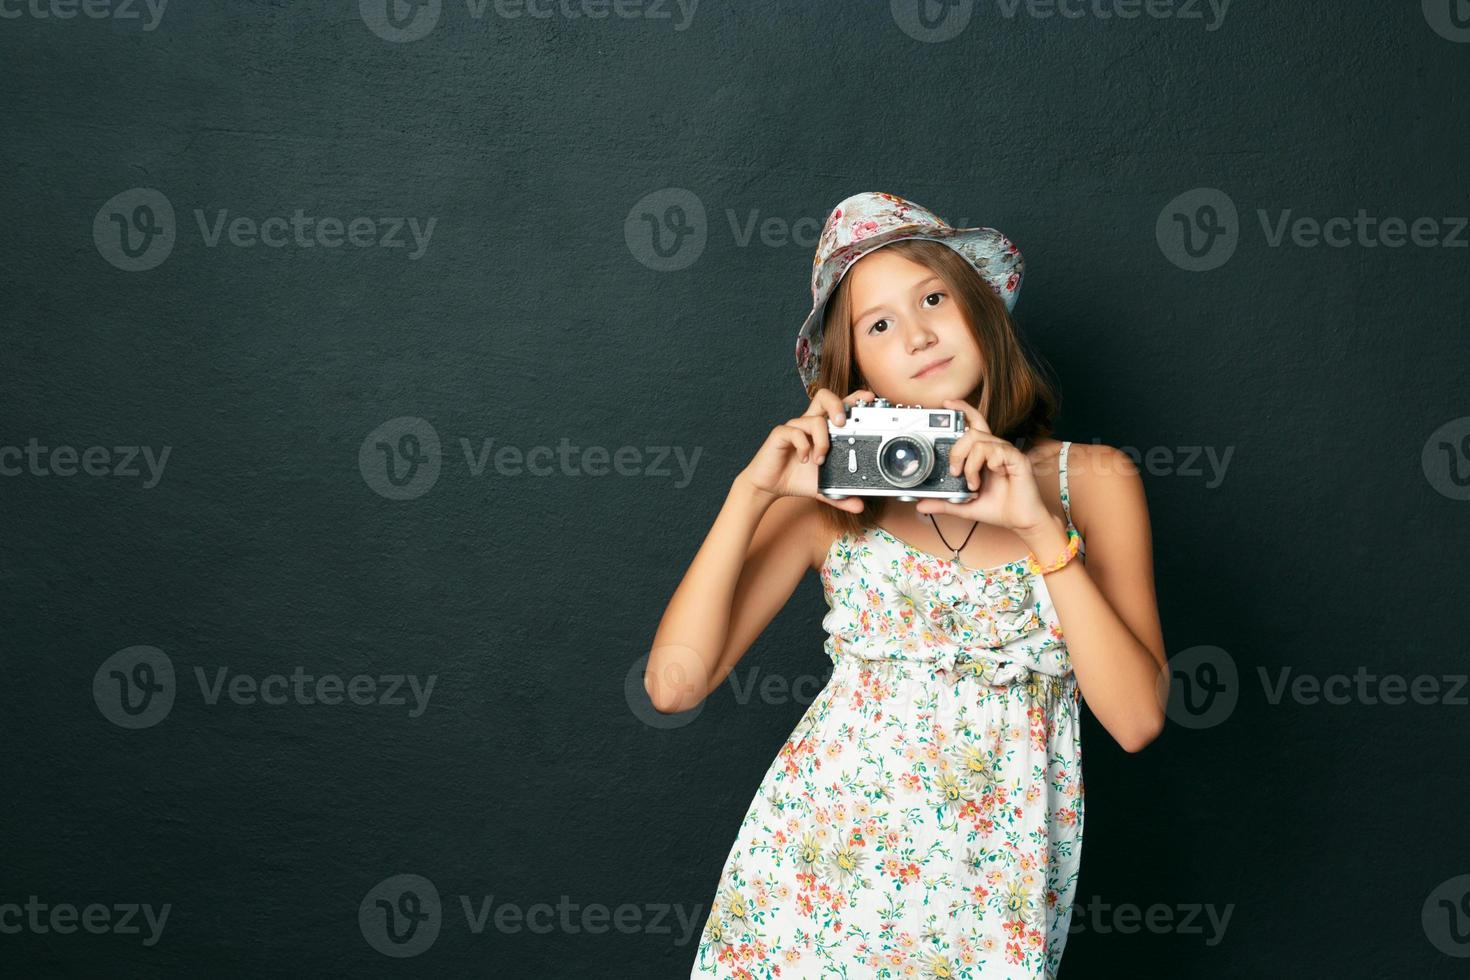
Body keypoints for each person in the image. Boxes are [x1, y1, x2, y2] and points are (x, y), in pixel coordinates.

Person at [645, 191, 1169, 978]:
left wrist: (1036, 530)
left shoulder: (1087, 480)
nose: (918, 334)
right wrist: (751, 493)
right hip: (810, 884)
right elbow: (674, 686)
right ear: (853, 366)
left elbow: (1135, 721)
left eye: (934, 298)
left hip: (992, 901)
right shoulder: (832, 500)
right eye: (879, 324)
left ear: (982, 310)